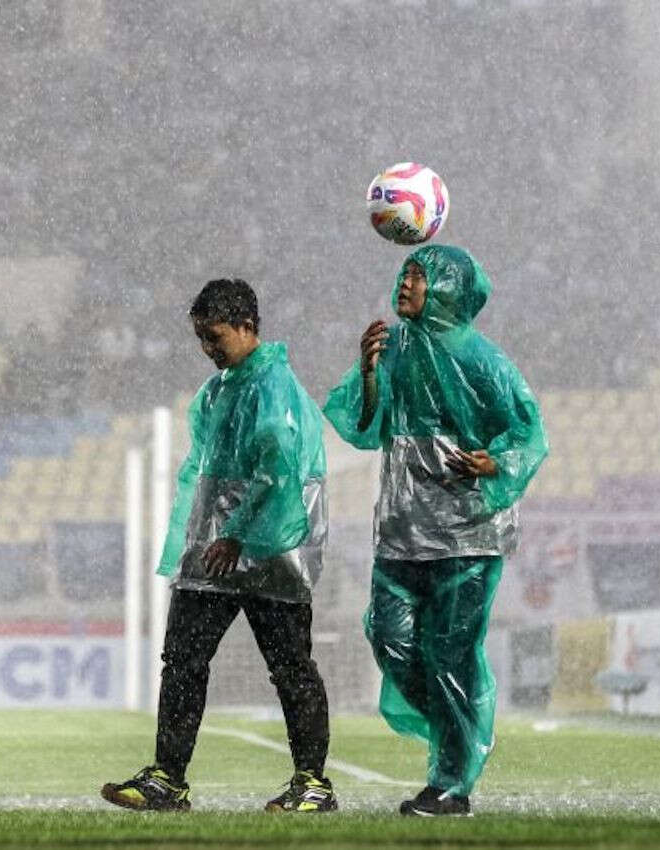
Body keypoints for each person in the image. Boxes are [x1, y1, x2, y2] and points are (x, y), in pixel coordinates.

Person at [324, 245, 548, 816]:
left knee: (450, 654)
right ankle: (462, 726)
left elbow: (527, 433)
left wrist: (495, 462)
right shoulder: (393, 348)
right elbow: (366, 425)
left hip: (467, 534)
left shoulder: (484, 361)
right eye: (405, 272)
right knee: (389, 637)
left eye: (419, 275)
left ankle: (451, 783)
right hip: (402, 531)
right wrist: (370, 371)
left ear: (446, 288)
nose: (406, 282)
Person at [102, 278, 336, 813]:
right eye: (201, 338)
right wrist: (210, 533)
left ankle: (313, 784)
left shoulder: (272, 387)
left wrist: (237, 532)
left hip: (274, 547)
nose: (208, 348)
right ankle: (168, 778)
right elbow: (207, 471)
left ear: (247, 326)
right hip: (218, 548)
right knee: (183, 658)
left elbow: (278, 465)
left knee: (290, 665)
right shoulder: (223, 388)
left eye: (215, 336)